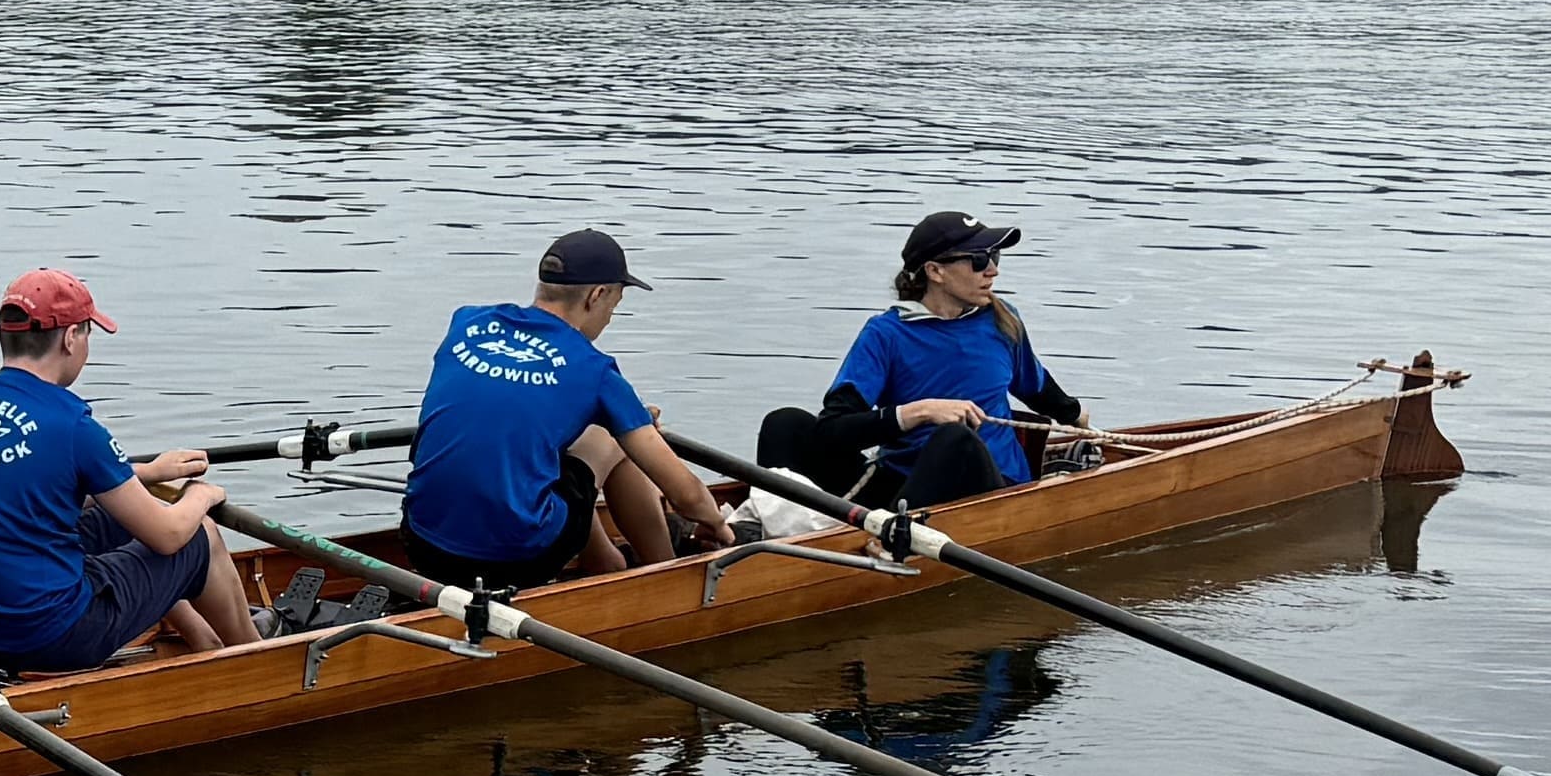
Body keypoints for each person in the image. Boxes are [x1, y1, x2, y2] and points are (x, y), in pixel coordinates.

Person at [0, 267, 257, 667]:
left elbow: (32, 488)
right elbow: (168, 536)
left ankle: (203, 639)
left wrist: (146, 473)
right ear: (70, 338)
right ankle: (257, 657)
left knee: (120, 518)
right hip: (56, 637)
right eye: (88, 334)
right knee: (195, 533)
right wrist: (200, 495)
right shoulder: (74, 425)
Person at [399, 228, 738, 587]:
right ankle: (666, 578)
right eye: (615, 306)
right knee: (612, 437)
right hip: (517, 560)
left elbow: (507, 402)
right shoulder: (595, 371)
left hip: (421, 542)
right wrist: (716, 524)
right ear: (597, 295)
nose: (609, 319)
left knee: (559, 446)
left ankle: (606, 559)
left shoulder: (466, 322)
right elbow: (685, 495)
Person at [765, 211, 1090, 506]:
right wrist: (918, 412)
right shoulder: (886, 334)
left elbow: (1036, 387)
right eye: (979, 259)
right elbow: (833, 430)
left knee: (956, 440)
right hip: (900, 484)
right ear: (935, 271)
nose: (993, 269)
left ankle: (887, 542)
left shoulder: (1002, 321)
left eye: (995, 255)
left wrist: (1076, 416)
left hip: (988, 488)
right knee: (785, 424)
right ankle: (766, 522)